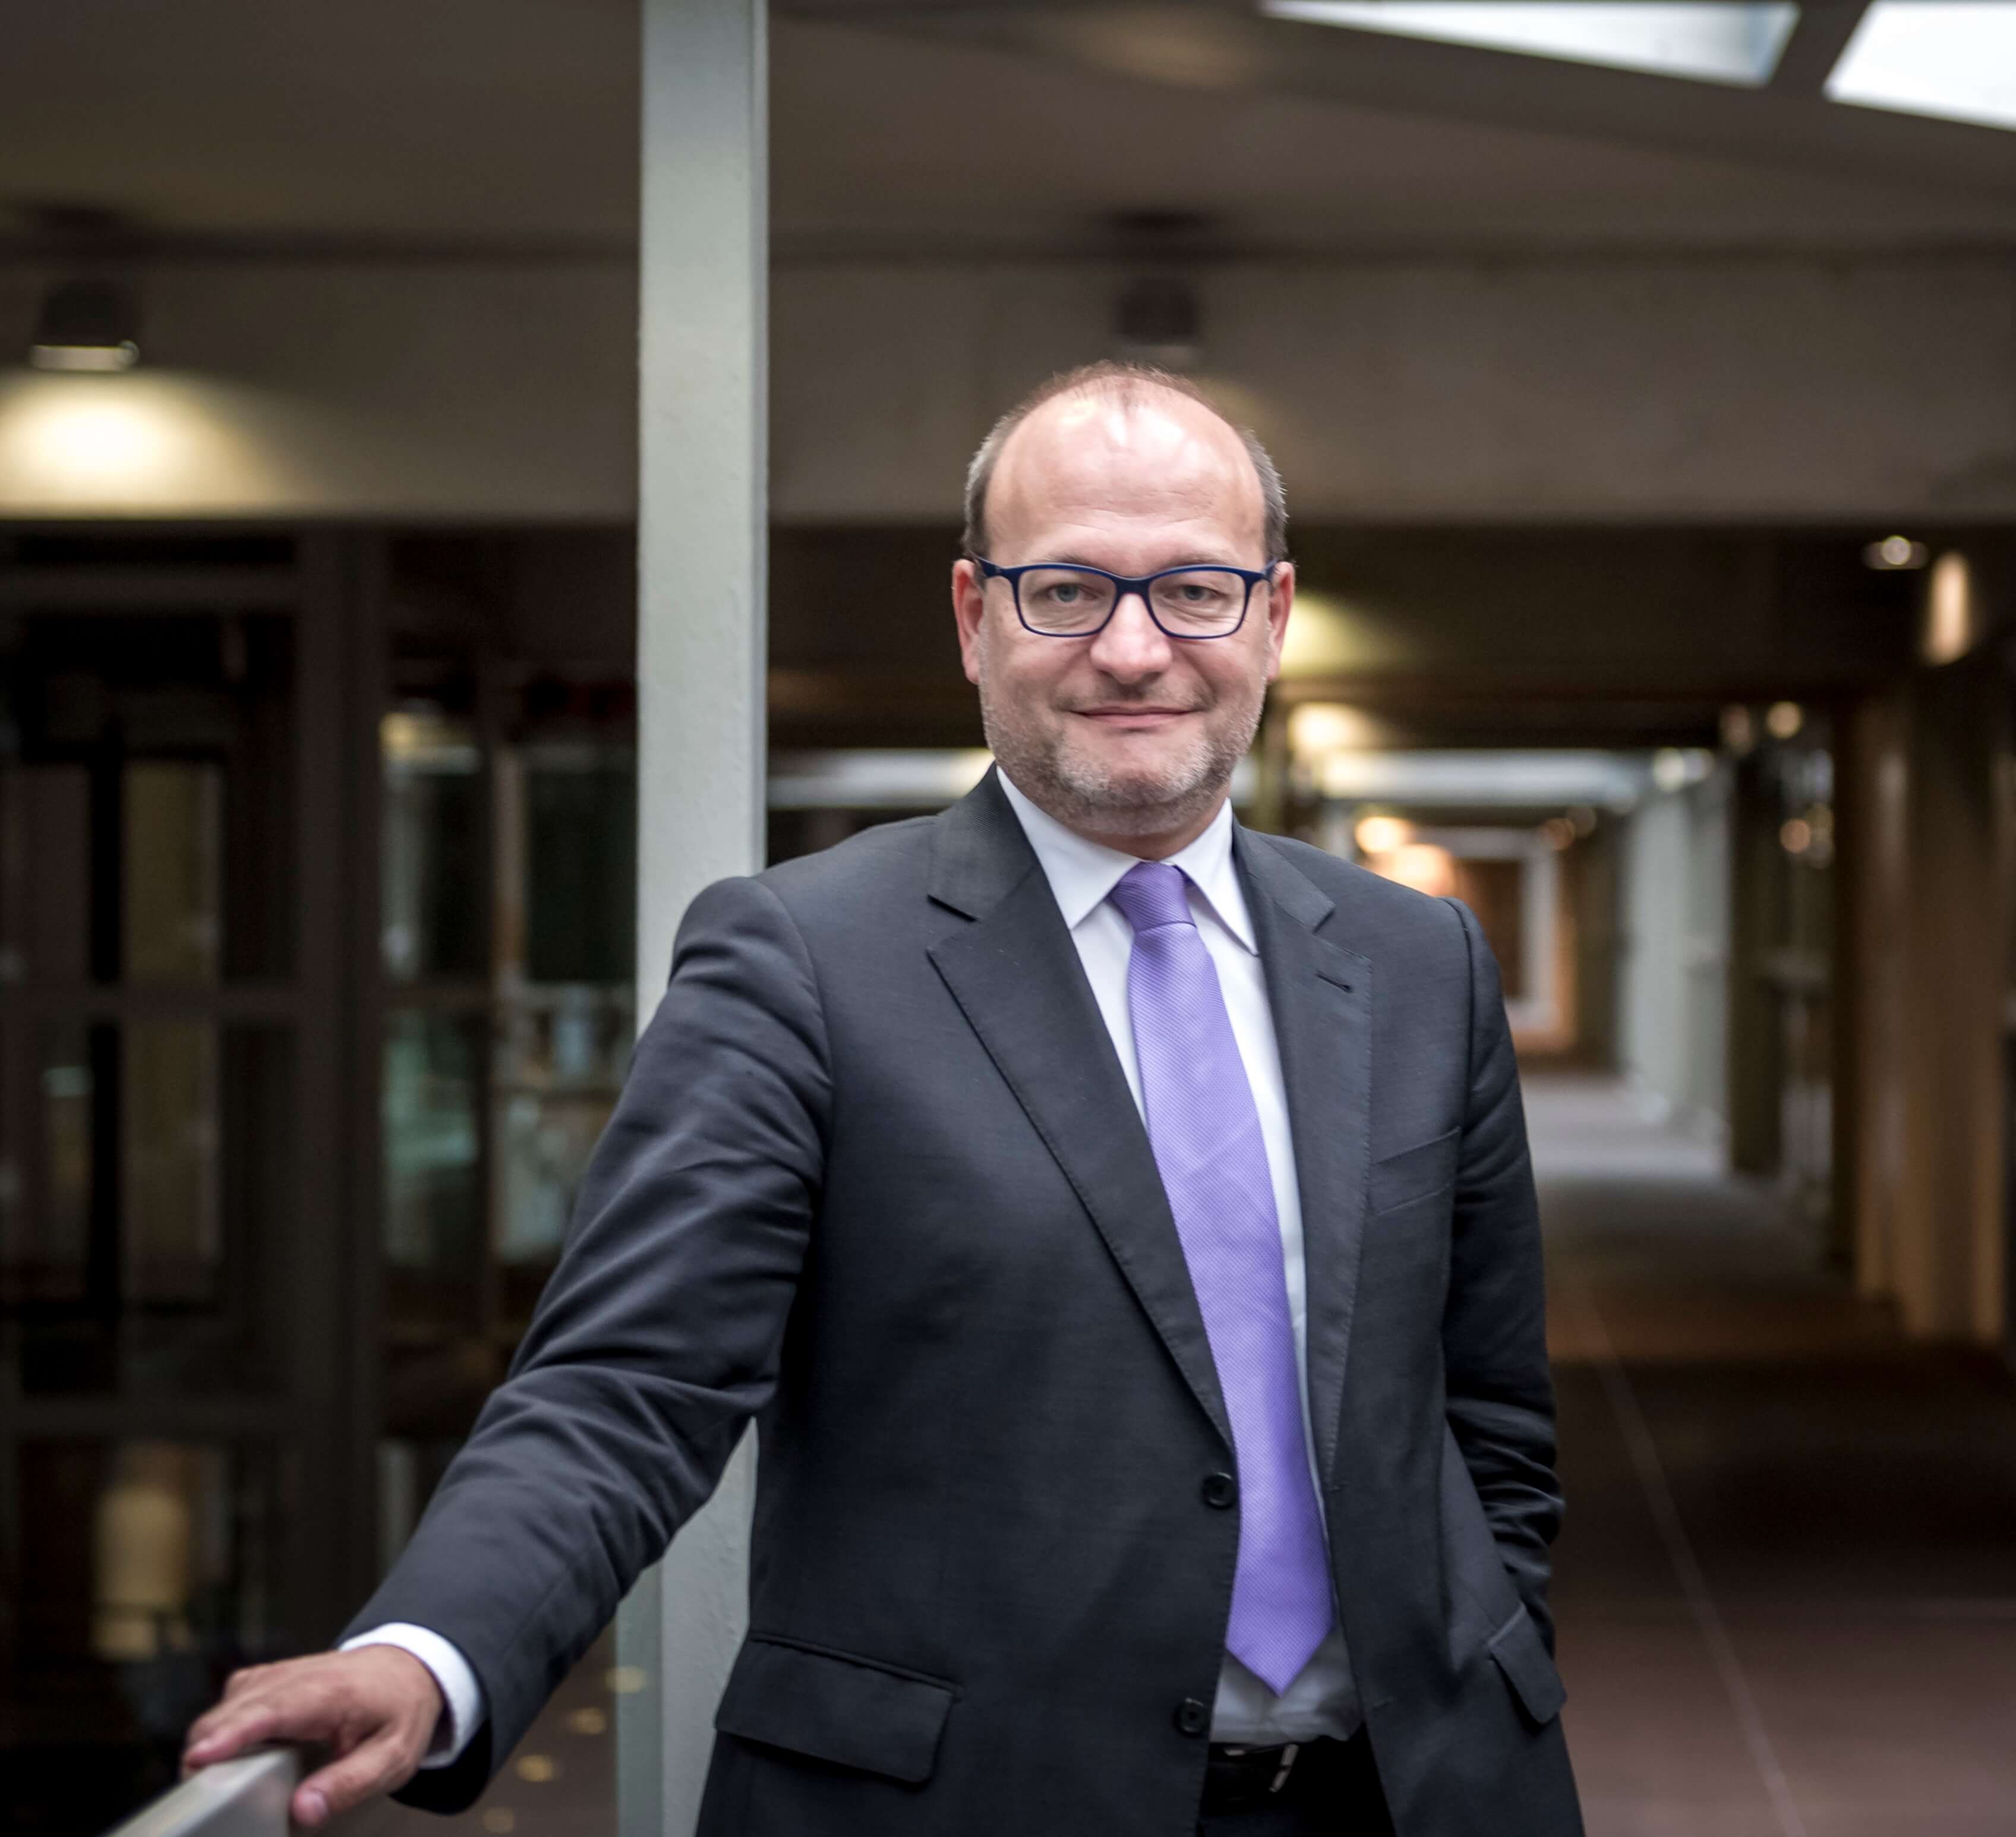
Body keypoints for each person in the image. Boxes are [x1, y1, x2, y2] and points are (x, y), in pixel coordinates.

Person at [183, 362, 1582, 1836]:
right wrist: (426, 1650)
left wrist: (1488, 1652)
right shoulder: (802, 959)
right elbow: (626, 1382)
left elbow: (1486, 1409)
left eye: (1191, 589)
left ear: (1272, 615)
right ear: (974, 617)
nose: (1130, 648)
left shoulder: (1412, 958)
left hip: (1412, 1797)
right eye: (1065, 591)